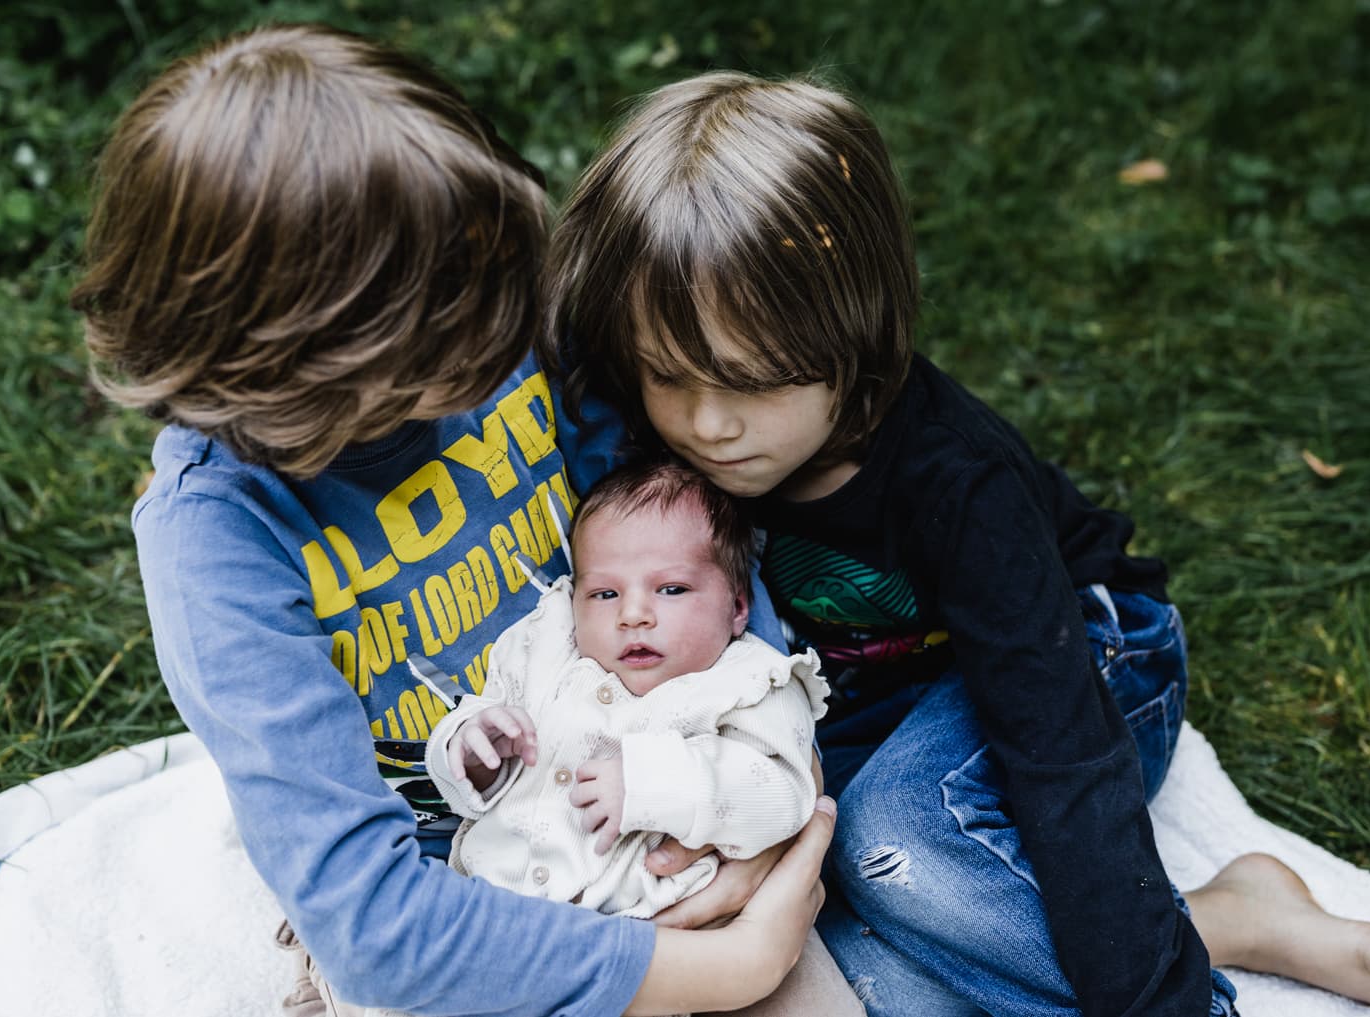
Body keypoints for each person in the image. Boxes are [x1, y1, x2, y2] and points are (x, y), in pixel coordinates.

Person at [543, 71, 1370, 1017]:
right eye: (667, 376)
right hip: (889, 703)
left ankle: (1193, 967)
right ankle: (1234, 916)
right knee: (851, 948)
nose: (706, 424)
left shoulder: (959, 486)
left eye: (750, 381)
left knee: (892, 839)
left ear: (855, 329)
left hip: (1092, 657)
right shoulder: (667, 425)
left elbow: (1062, 755)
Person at [72, 27, 841, 1017]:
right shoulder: (218, 539)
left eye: (494, 286)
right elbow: (381, 931)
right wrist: (726, 965)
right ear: (314, 357)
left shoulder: (496, 325)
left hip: (672, 792)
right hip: (482, 917)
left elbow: (692, 541)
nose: (509, 324)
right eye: (452, 317)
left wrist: (769, 771)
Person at [426, 458, 828, 920]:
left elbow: (785, 795)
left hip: (663, 931)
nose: (633, 614)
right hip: (488, 914)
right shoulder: (546, 649)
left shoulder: (751, 680)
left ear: (737, 607)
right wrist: (471, 755)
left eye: (671, 589)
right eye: (605, 594)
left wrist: (654, 783)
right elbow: (476, 770)